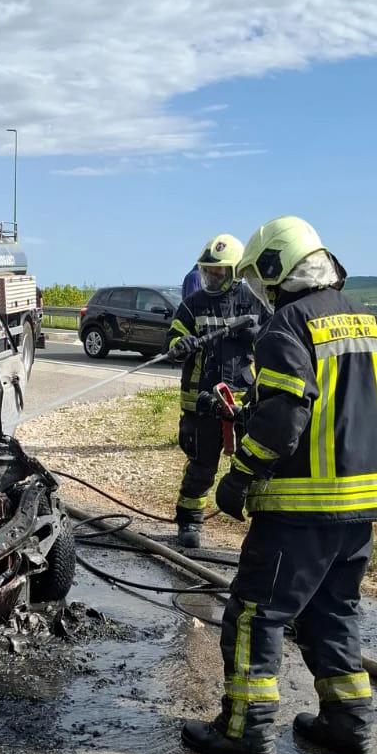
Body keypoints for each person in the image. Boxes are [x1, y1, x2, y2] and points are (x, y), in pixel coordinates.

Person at [181, 217, 377, 754]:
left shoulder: (286, 325)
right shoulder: (369, 322)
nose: (262, 291)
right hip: (361, 512)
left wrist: (240, 475)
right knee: (332, 612)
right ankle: (346, 725)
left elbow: (286, 416)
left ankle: (244, 729)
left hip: (300, 509)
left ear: (275, 268)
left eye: (263, 278)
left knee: (252, 613)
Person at [167, 234, 268, 551]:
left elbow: (276, 344)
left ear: (235, 272)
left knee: (256, 466)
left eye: (218, 272)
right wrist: (179, 346)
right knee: (201, 466)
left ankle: (263, 529)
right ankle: (189, 522)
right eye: (207, 271)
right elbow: (173, 340)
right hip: (202, 402)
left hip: (243, 401)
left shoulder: (254, 302)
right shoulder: (193, 304)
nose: (211, 277)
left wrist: (257, 334)